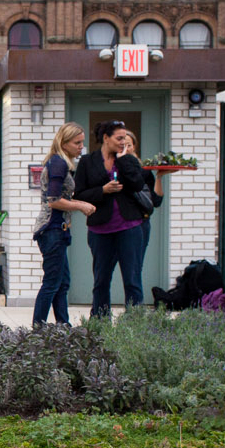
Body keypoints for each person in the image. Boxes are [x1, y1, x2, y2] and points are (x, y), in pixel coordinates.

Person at [72, 120, 148, 317]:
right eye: (119, 138)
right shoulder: (88, 162)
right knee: (101, 279)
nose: (123, 142)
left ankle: (134, 323)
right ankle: (99, 321)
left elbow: (138, 184)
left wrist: (123, 160)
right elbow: (79, 194)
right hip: (100, 230)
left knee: (132, 278)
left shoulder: (128, 160)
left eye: (125, 138)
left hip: (129, 228)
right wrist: (102, 191)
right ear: (106, 138)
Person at [31, 123, 95, 326]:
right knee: (52, 283)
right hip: (52, 230)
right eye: (77, 143)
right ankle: (38, 328)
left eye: (82, 142)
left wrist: (79, 202)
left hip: (58, 230)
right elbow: (53, 200)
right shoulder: (58, 163)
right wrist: (81, 206)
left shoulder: (60, 163)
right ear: (64, 143)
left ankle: (63, 326)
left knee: (62, 282)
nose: (81, 147)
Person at [120, 130, 165, 255]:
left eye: (129, 145)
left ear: (134, 147)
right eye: (122, 146)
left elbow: (156, 201)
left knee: (136, 265)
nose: (125, 149)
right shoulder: (111, 169)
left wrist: (159, 178)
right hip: (116, 222)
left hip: (140, 223)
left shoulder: (143, 171)